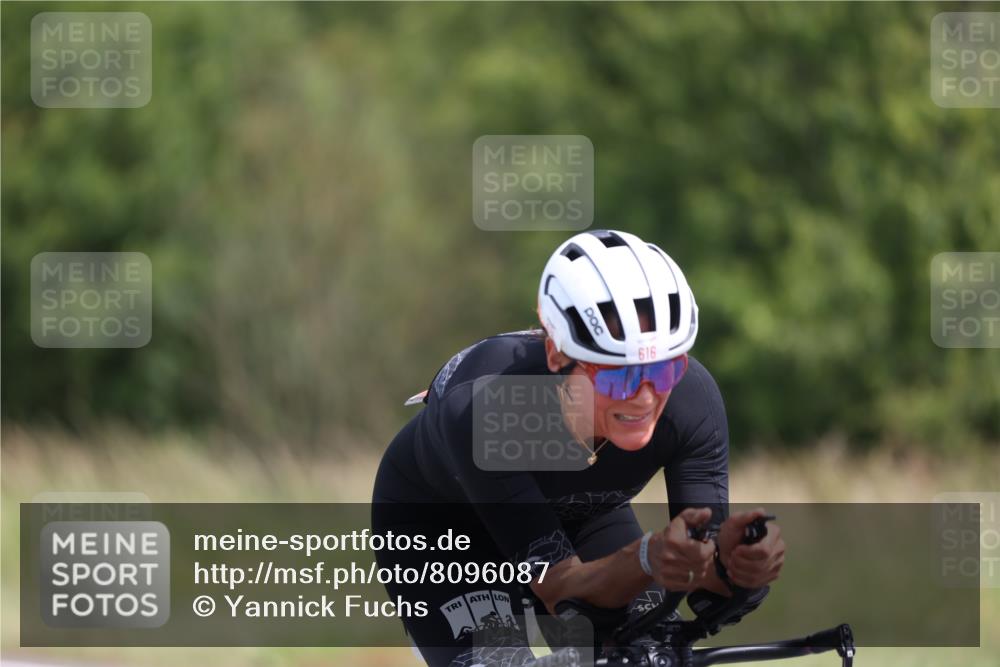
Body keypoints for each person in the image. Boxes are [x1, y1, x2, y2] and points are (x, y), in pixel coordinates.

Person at [372, 229, 785, 667]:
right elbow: (560, 589)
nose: (644, 397)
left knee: (650, 656)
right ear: (557, 355)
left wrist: (739, 570)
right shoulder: (489, 407)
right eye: (618, 375)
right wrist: (646, 557)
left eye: (664, 370)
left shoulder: (691, 402)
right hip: (446, 528)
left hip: (583, 516)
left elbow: (706, 581)